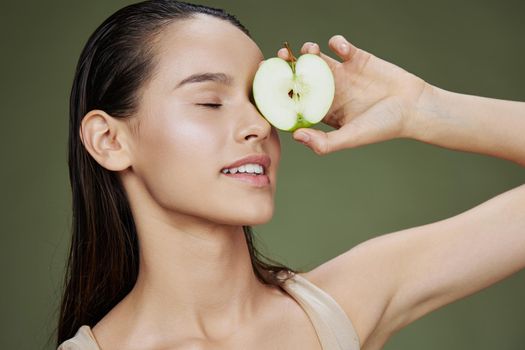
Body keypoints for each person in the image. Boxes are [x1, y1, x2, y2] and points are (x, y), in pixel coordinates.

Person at [56, 0, 525, 349]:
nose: (260, 126)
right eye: (210, 102)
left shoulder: (344, 304)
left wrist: (424, 109)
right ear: (109, 140)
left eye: (262, 101)